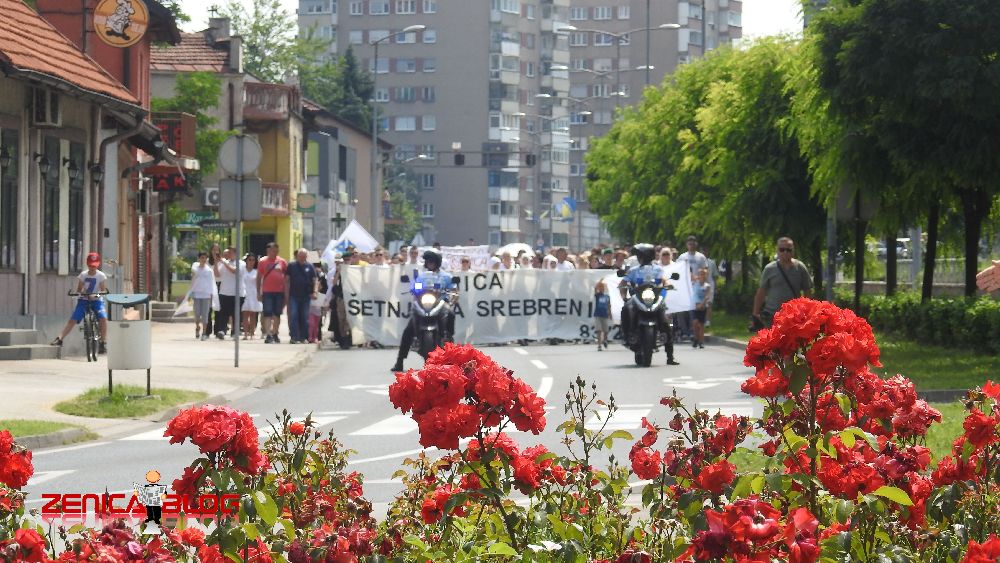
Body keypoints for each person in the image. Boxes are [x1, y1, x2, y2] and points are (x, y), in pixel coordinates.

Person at [391, 249, 457, 372]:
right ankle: (399, 361)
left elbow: (453, 289)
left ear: (437, 262)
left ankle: (448, 338)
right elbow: (415, 287)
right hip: (424, 304)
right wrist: (414, 289)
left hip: (440, 303)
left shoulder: (446, 276)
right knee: (408, 330)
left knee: (451, 313)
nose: (429, 263)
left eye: (432, 261)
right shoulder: (422, 276)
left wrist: (453, 294)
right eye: (427, 261)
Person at [619, 243, 678, 365]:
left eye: (639, 255)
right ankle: (627, 334)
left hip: (654, 299)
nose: (639, 257)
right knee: (626, 308)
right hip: (638, 298)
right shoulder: (634, 270)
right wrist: (624, 296)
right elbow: (623, 283)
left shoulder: (657, 269)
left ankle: (670, 356)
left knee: (666, 323)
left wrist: (668, 285)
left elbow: (664, 280)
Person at [50, 252, 109, 352]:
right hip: (84, 300)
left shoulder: (101, 275)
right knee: (73, 318)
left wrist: (96, 295)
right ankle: (60, 338)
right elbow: (79, 289)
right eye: (90, 265)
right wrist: (83, 293)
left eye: (94, 266)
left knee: (103, 318)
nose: (92, 268)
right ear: (87, 264)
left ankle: (103, 342)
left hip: (97, 300)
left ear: (98, 264)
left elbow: (103, 291)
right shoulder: (83, 275)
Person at [752, 237, 812, 328]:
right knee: (771, 337)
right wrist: (755, 314)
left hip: (793, 317)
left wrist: (807, 312)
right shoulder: (769, 268)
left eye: (788, 250)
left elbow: (807, 292)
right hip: (772, 316)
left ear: (793, 251)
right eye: (782, 249)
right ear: (777, 251)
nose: (785, 252)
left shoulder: (800, 267)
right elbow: (761, 292)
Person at [285, 248, 319, 344]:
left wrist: (315, 292)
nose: (302, 258)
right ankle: (294, 337)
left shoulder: (310, 266)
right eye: (300, 256)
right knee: (294, 315)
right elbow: (287, 280)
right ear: (297, 256)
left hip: (306, 296)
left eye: (304, 256)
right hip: (293, 295)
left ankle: (303, 337)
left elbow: (315, 280)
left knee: (304, 317)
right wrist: (286, 294)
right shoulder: (291, 265)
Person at [257, 242, 288, 344]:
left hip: (279, 291)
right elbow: (259, 277)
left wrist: (286, 293)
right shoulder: (262, 262)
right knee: (267, 313)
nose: (273, 252)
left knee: (277, 314)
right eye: (271, 250)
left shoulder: (282, 262)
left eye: (275, 250)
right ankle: (268, 335)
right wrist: (258, 292)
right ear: (267, 251)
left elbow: (286, 278)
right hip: (267, 291)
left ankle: (275, 333)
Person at [215, 247, 245, 339]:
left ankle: (235, 332)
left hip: (237, 293)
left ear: (235, 253)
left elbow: (234, 271)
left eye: (230, 253)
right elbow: (217, 275)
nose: (228, 255)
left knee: (236, 314)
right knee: (223, 313)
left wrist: (224, 262)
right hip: (224, 292)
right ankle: (222, 330)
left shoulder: (241, 263)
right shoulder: (224, 263)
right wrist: (216, 263)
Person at [189, 251, 216, 341]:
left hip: (206, 294)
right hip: (197, 294)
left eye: (205, 258)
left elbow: (211, 283)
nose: (203, 260)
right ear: (199, 259)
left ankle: (204, 332)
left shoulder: (209, 270)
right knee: (197, 314)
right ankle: (197, 327)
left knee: (205, 315)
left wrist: (211, 294)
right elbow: (193, 278)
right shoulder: (195, 269)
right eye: (202, 258)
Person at [241, 253, 262, 340]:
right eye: (249, 260)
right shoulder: (242, 271)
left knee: (253, 314)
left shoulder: (256, 272)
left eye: (253, 260)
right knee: (245, 314)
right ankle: (245, 333)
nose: (251, 262)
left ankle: (252, 333)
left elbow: (259, 284)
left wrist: (259, 293)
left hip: (253, 293)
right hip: (244, 293)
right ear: (246, 261)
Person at [691, 267, 713, 349]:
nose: (702, 275)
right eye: (700, 274)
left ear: (706, 275)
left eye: (704, 274)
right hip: (695, 306)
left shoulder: (707, 286)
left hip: (703, 307)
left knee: (701, 325)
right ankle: (696, 338)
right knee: (695, 323)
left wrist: (702, 304)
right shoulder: (694, 283)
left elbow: (707, 296)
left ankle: (701, 341)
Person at [593, 280, 612, 351]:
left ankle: (605, 340)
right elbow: (595, 289)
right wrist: (600, 281)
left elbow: (609, 306)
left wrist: (610, 314)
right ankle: (599, 345)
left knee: (606, 330)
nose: (601, 289)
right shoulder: (597, 295)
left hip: (605, 315)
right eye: (600, 288)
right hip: (598, 315)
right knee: (599, 330)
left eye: (602, 288)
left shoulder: (607, 296)